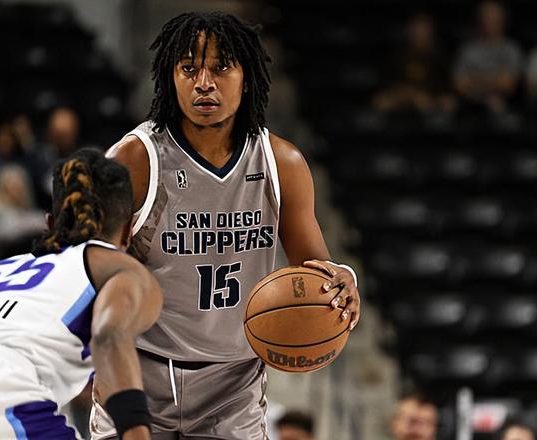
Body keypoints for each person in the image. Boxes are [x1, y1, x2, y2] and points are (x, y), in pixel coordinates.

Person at [90, 11, 361, 440]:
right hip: (140, 370)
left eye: (220, 68)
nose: (204, 82)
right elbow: (91, 274)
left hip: (233, 385)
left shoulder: (282, 163)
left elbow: (314, 269)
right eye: (188, 68)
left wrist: (343, 282)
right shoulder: (134, 160)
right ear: (170, 78)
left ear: (247, 77)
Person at [0, 148, 163, 440]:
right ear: (128, 231)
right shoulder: (117, 267)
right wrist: (136, 430)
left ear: (50, 224)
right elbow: (108, 337)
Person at [373, 13, 454, 114]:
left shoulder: (439, 55)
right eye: (416, 30)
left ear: (432, 32)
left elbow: (443, 84)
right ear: (409, 31)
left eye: (424, 30)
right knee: (380, 101)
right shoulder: (398, 54)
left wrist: (431, 96)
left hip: (429, 95)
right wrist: (410, 94)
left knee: (448, 103)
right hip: (402, 93)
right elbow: (388, 82)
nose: (420, 34)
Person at [453, 1, 523, 113]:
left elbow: (508, 85)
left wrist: (473, 79)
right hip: (470, 105)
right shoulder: (467, 50)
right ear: (479, 20)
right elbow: (460, 85)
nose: (489, 22)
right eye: (486, 17)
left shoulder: (511, 49)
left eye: (494, 18)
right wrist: (493, 84)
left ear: (503, 20)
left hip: (505, 105)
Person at [0, 164, 47, 261]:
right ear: (3, 187)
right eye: (12, 184)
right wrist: (26, 227)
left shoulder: (28, 211)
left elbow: (43, 223)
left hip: (25, 260)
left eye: (20, 185)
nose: (17, 189)